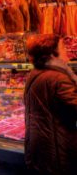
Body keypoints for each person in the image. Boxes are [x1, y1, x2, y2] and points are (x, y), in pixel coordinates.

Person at [23, 34, 77, 174]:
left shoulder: (35, 73)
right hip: (56, 149)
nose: (66, 51)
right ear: (53, 54)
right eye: (62, 47)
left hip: (38, 147)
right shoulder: (58, 78)